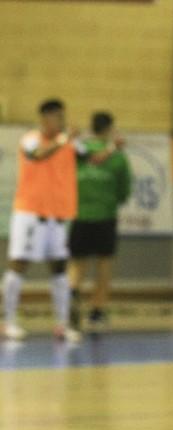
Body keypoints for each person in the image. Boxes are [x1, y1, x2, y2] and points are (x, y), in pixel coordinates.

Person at [4, 99, 90, 341]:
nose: (62, 122)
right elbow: (38, 155)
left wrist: (108, 146)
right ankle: (7, 321)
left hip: (57, 215)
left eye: (63, 117)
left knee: (60, 267)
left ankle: (62, 324)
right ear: (45, 118)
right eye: (57, 117)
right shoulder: (31, 139)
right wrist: (63, 140)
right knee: (19, 263)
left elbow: (90, 158)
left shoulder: (69, 143)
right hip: (30, 213)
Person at [67, 111, 131, 331]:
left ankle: (71, 301)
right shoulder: (118, 157)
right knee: (104, 265)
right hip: (105, 216)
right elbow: (124, 191)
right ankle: (97, 312)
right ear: (110, 129)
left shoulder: (78, 152)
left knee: (77, 264)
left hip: (80, 216)